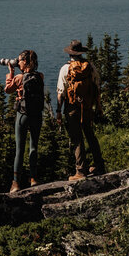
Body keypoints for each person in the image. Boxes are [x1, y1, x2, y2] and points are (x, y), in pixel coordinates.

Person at [56, 39, 105, 181]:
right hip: (87, 107)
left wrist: (59, 110)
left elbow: (61, 92)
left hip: (72, 108)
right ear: (81, 53)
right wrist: (98, 106)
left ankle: (81, 171)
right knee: (90, 135)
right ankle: (99, 165)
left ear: (70, 53)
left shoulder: (65, 69)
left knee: (77, 139)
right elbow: (97, 86)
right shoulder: (90, 66)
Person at [4, 49, 44, 193]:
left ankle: (15, 183)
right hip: (37, 116)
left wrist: (10, 73)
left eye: (19, 60)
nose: (17, 62)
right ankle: (33, 178)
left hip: (23, 115)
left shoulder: (19, 78)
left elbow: (7, 90)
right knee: (33, 147)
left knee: (20, 149)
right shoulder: (40, 76)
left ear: (25, 62)